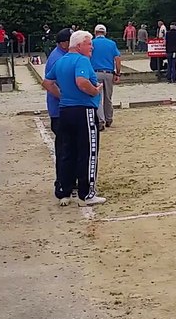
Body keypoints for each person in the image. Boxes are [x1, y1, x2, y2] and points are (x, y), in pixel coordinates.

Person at [42, 32, 104, 206]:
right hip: (83, 110)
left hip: (65, 111)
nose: (92, 47)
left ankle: (64, 190)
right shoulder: (81, 60)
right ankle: (87, 193)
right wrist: (95, 91)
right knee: (88, 151)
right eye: (89, 43)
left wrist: (62, 97)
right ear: (79, 46)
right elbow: (82, 81)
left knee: (67, 151)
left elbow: (47, 83)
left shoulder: (60, 60)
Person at [91, 25, 122, 130]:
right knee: (108, 97)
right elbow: (117, 59)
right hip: (108, 73)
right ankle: (109, 118)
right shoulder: (112, 44)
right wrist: (117, 73)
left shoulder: (92, 43)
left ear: (95, 32)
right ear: (105, 33)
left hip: (95, 72)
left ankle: (100, 120)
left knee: (97, 97)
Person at [44, 29, 72, 134]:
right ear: (64, 44)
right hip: (59, 109)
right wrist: (64, 98)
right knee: (64, 141)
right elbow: (50, 84)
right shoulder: (58, 58)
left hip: (61, 108)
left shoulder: (62, 55)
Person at [163, 19, 176, 83]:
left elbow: (164, 43)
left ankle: (168, 78)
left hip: (168, 51)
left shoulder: (167, 33)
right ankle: (174, 78)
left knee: (169, 65)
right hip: (175, 51)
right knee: (174, 65)